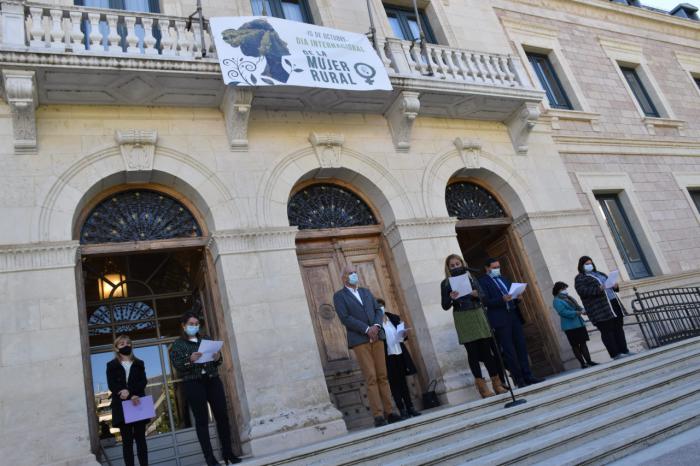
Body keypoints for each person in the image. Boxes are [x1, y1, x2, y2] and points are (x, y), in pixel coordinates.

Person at [333, 265, 401, 427]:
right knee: (371, 377)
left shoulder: (365, 292)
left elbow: (378, 310)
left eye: (355, 272)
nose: (354, 275)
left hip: (377, 336)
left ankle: (390, 412)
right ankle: (378, 415)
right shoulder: (339, 296)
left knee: (382, 375)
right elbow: (345, 317)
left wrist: (376, 326)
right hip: (360, 340)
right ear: (343, 277)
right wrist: (366, 329)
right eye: (350, 273)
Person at [170, 312, 241, 465]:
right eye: (191, 324)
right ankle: (210, 459)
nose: (194, 326)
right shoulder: (178, 345)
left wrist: (217, 358)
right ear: (184, 326)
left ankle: (228, 453)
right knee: (201, 421)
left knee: (222, 416)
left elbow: (218, 361)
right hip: (194, 383)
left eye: (196, 324)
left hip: (212, 380)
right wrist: (190, 360)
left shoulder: (206, 339)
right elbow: (178, 366)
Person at [440, 254, 508, 398]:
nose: (455, 267)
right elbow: (445, 306)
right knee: (472, 353)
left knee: (487, 350)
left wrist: (477, 294)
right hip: (462, 316)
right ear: (448, 268)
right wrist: (450, 297)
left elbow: (483, 296)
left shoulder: (471, 278)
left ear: (462, 263)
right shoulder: (445, 283)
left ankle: (497, 384)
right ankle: (483, 388)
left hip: (477, 313)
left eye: (457, 264)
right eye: (452, 266)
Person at [477, 257, 544, 388]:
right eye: (494, 267)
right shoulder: (482, 281)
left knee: (521, 347)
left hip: (513, 316)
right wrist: (502, 299)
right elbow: (485, 301)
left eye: (498, 267)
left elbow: (511, 295)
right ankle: (519, 380)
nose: (497, 269)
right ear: (487, 268)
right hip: (500, 319)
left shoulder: (503, 279)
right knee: (509, 351)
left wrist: (517, 298)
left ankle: (528, 375)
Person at [574, 256, 631, 360]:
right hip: (600, 308)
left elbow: (610, 285)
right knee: (607, 330)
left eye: (590, 263)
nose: (589, 265)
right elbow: (582, 291)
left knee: (618, 327)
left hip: (613, 302)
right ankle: (615, 354)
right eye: (586, 264)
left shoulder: (600, 274)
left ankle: (624, 350)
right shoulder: (580, 278)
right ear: (581, 265)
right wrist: (598, 288)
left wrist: (615, 286)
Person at [106, 335, 149, 466]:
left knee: (141, 439)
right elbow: (112, 384)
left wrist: (131, 394)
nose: (126, 345)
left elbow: (143, 382)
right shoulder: (111, 365)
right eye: (122, 344)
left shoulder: (139, 363)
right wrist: (124, 392)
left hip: (137, 403)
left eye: (128, 343)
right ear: (116, 348)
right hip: (121, 405)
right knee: (127, 442)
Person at [376, 298, 421, 418]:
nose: (380, 308)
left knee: (403, 382)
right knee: (394, 384)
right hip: (387, 356)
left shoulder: (393, 318)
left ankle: (410, 407)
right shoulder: (375, 323)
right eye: (378, 306)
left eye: (382, 305)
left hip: (399, 353)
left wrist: (404, 334)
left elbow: (402, 337)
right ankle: (402, 410)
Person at [552, 281, 598, 369]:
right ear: (558, 290)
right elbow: (563, 312)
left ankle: (589, 361)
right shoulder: (556, 300)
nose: (565, 290)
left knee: (583, 343)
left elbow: (577, 306)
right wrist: (578, 312)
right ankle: (583, 363)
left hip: (579, 323)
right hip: (570, 326)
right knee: (575, 345)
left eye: (565, 288)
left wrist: (583, 310)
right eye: (563, 289)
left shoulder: (569, 298)